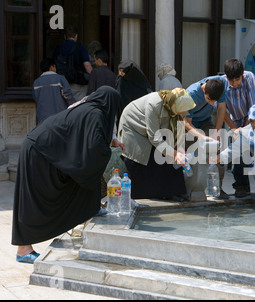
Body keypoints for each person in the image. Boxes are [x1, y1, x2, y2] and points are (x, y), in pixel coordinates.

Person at [12, 86, 121, 264]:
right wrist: (108, 150)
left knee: (80, 179)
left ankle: (92, 207)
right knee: (33, 201)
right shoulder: (96, 114)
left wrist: (110, 141)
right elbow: (95, 147)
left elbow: (90, 140)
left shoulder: (89, 108)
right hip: (38, 152)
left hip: (43, 150)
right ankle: (23, 250)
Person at [118, 89, 196, 200]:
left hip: (154, 130)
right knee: (145, 158)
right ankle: (142, 196)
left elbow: (179, 131)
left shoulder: (175, 107)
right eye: (181, 111)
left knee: (166, 155)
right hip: (134, 128)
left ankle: (171, 193)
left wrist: (180, 150)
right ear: (174, 105)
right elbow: (154, 138)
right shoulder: (154, 104)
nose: (182, 114)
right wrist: (174, 154)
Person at [222, 58, 255, 198]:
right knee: (237, 153)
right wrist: (235, 129)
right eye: (231, 80)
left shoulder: (250, 78)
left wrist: (244, 129)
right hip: (234, 122)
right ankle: (241, 186)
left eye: (237, 80)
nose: (234, 84)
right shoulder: (222, 82)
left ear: (242, 75)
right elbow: (222, 111)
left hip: (253, 121)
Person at [185, 76, 228, 198]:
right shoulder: (191, 94)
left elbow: (221, 108)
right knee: (188, 155)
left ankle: (218, 187)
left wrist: (216, 132)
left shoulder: (220, 84)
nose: (212, 103)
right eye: (209, 100)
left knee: (217, 148)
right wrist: (201, 137)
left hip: (205, 122)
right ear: (204, 89)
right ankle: (187, 189)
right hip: (189, 126)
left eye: (215, 100)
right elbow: (186, 122)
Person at [53, 25, 93, 101]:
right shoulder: (80, 47)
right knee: (79, 107)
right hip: (78, 84)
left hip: (61, 83)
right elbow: (87, 66)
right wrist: (95, 76)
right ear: (76, 36)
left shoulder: (58, 48)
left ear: (65, 36)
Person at [33, 58, 75, 124]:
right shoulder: (60, 79)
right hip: (59, 117)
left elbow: (36, 99)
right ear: (52, 67)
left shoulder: (36, 82)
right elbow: (68, 97)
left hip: (42, 119)